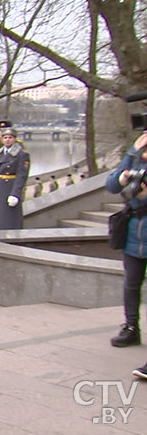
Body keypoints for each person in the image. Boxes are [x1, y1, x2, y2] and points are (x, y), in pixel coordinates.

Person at [106, 132, 147, 348]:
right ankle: (131, 327)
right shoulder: (135, 154)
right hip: (134, 229)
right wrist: (131, 156)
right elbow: (112, 185)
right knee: (131, 283)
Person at [0, 126, 30, 230]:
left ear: (14, 139)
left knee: (10, 217)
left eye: (10, 137)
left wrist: (15, 194)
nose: (7, 140)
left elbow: (22, 176)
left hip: (10, 186)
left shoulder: (21, 155)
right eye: (5, 137)